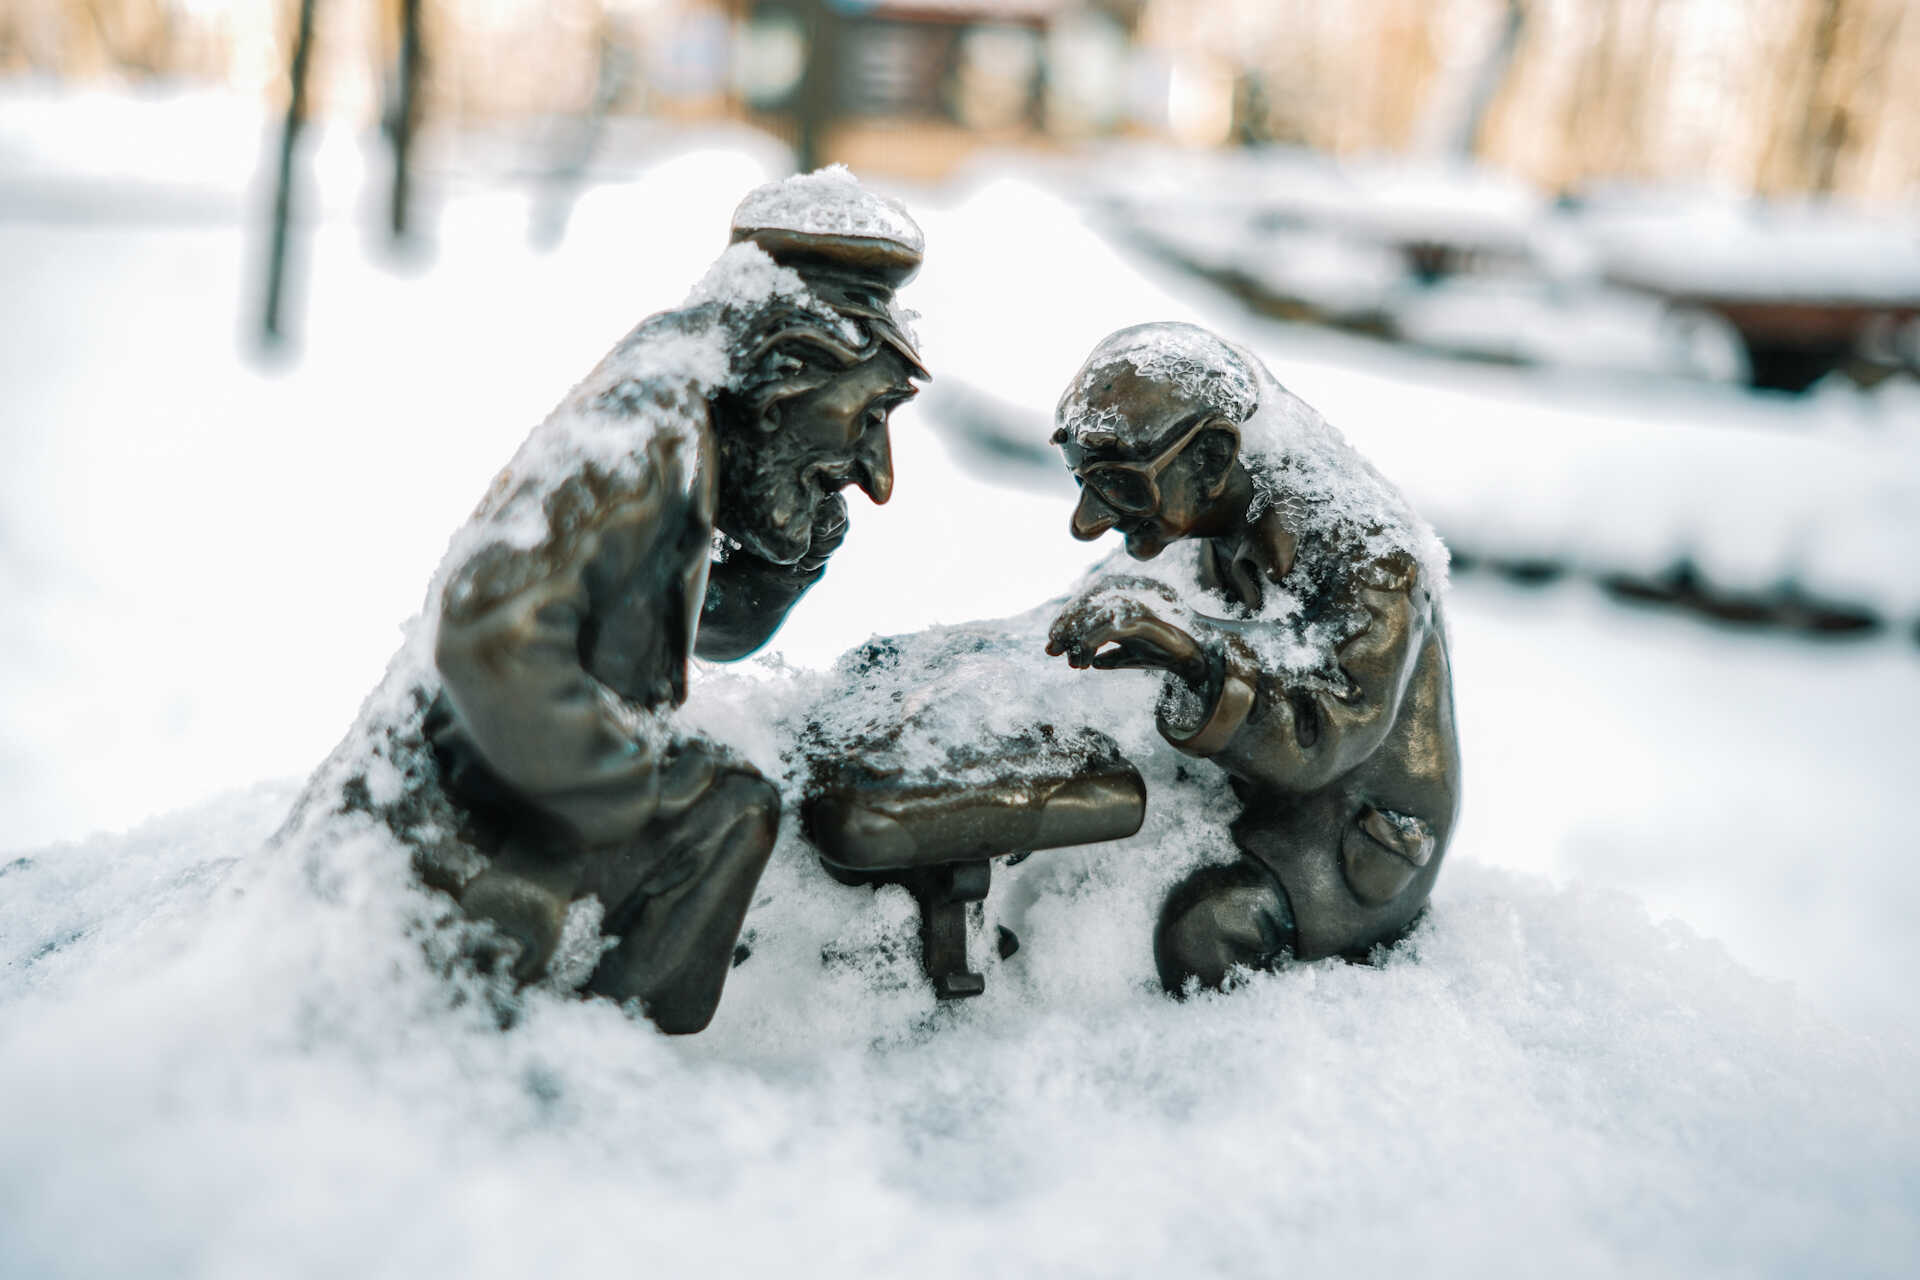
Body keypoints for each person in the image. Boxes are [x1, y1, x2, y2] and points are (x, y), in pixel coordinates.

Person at [290, 170, 927, 1034]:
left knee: (727, 799)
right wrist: (630, 794)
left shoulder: (696, 408)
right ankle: (594, 1062)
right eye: (871, 414)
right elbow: (490, 635)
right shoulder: (650, 429)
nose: (877, 473)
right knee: (727, 812)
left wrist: (782, 568)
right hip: (451, 820)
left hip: (485, 783)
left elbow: (681, 630)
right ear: (792, 365)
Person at [1043, 322, 1460, 994]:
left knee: (1204, 932)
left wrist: (1194, 655)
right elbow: (1105, 599)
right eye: (1083, 481)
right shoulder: (1196, 510)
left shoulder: (1372, 558)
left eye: (1117, 485)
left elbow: (1322, 735)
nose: (1086, 520)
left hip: (1343, 836)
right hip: (1241, 784)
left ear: (1210, 457)